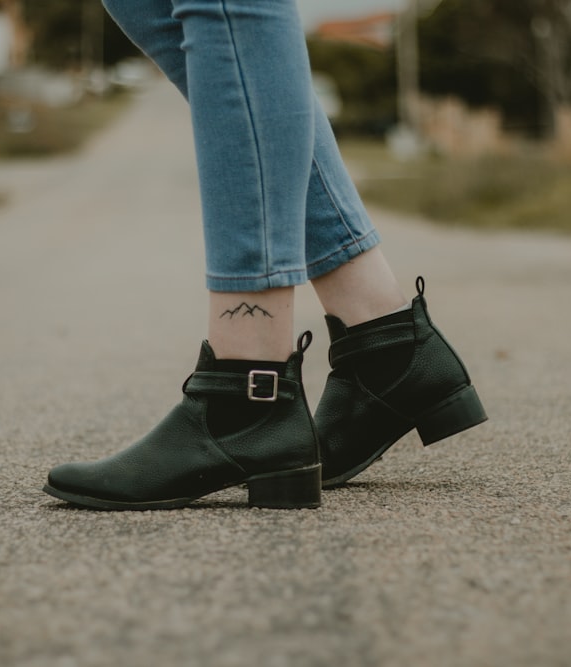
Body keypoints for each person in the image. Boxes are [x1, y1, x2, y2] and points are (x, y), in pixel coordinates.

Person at [43, 0, 487, 510]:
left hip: (251, 386)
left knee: (227, 4)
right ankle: (380, 331)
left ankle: (249, 386)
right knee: (148, 6)